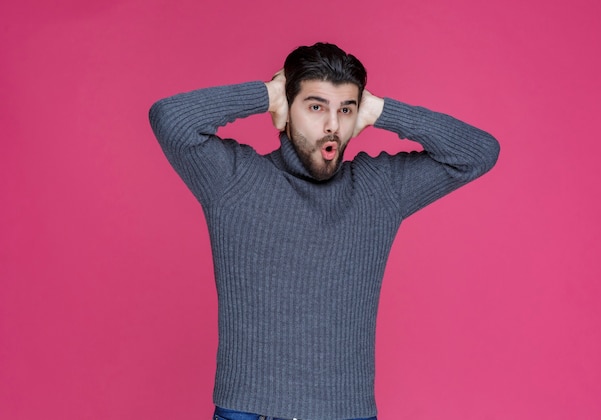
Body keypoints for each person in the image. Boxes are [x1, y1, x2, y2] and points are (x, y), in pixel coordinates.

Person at [149, 42, 499, 420]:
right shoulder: (234, 181)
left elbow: (479, 153)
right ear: (286, 110)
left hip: (347, 413)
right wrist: (265, 94)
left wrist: (382, 111)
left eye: (345, 110)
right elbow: (170, 118)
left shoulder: (376, 189)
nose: (332, 124)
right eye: (316, 107)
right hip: (249, 411)